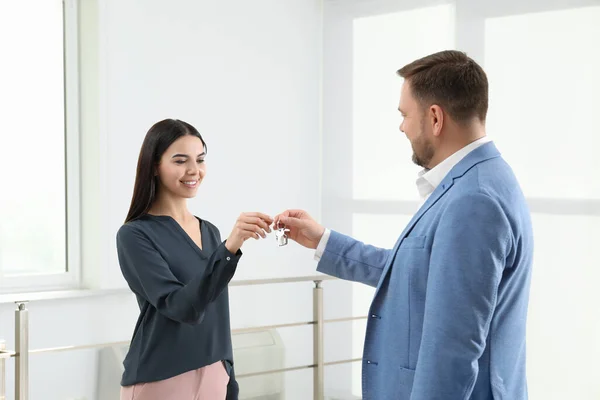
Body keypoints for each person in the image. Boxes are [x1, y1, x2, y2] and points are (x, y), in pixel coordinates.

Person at [275, 50, 533, 400]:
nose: (402, 127)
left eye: (404, 115)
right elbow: (419, 272)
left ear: (435, 118)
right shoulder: (481, 180)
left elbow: (453, 346)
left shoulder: (474, 199)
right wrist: (323, 240)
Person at [116, 119, 273, 400]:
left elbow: (216, 311)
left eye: (200, 160)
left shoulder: (209, 231)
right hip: (162, 378)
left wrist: (228, 375)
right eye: (180, 160)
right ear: (154, 165)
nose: (194, 170)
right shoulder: (135, 235)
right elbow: (182, 307)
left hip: (215, 374)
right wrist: (230, 247)